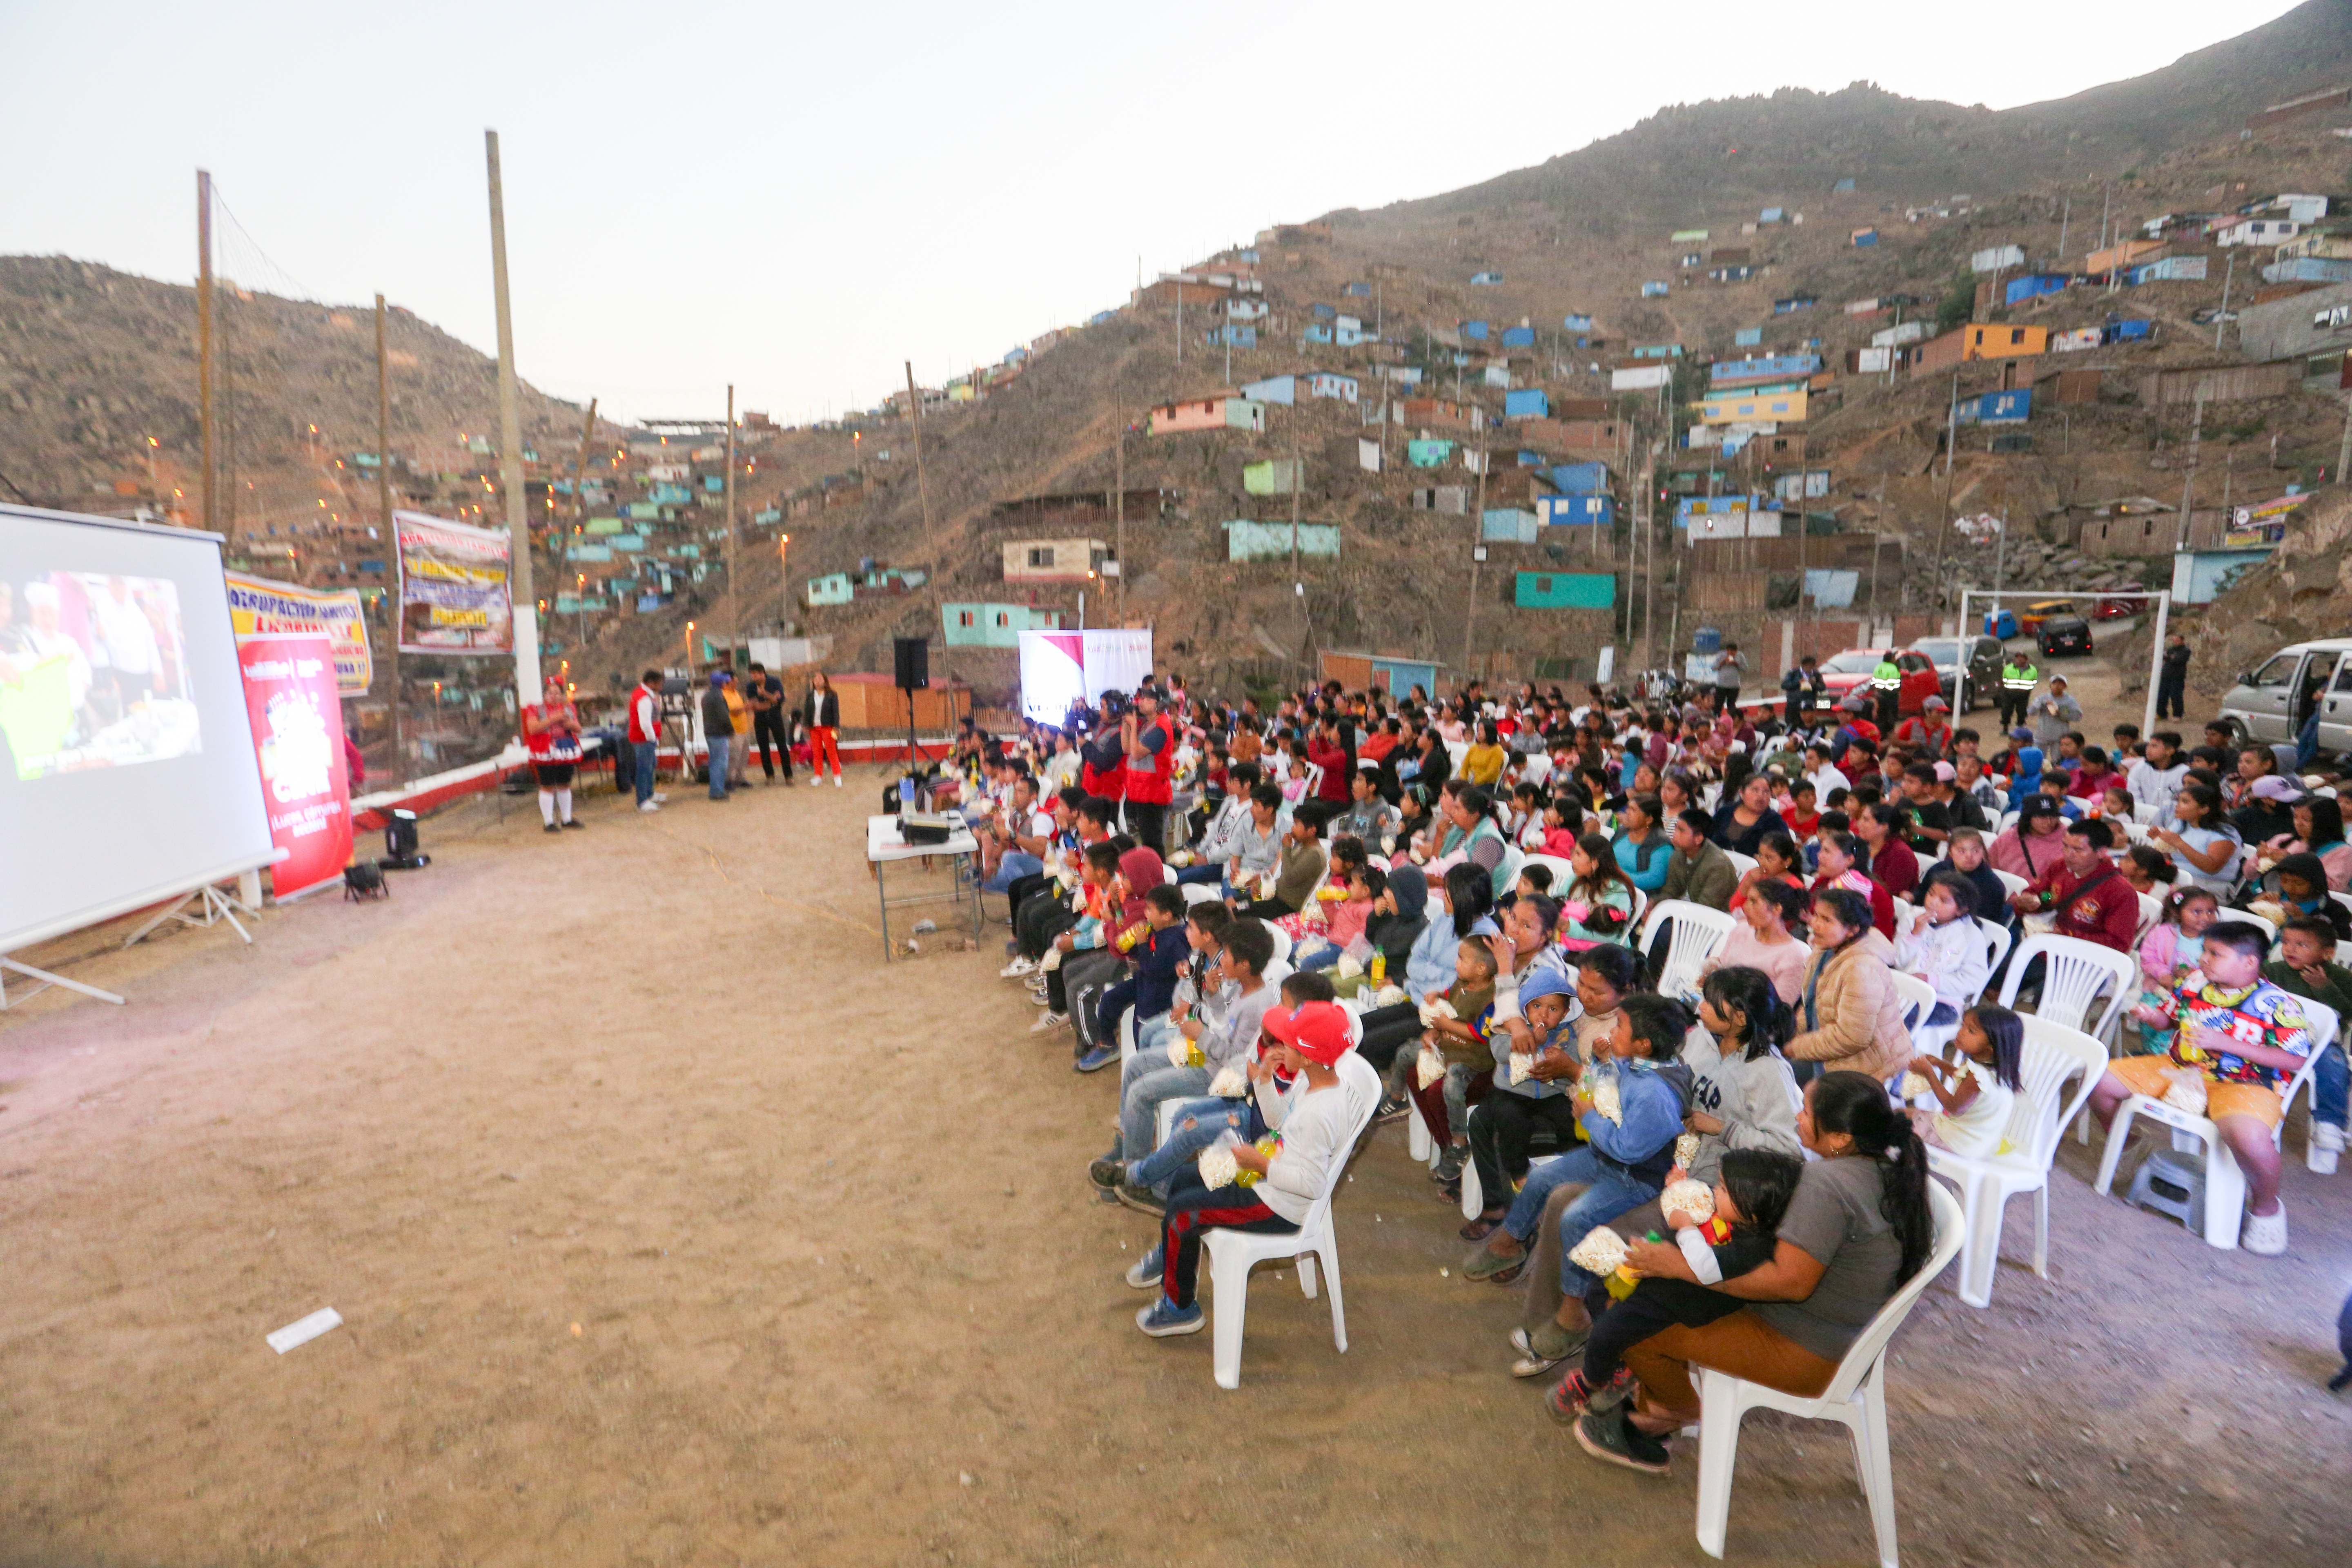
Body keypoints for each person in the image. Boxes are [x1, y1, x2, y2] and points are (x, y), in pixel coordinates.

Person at [1568, 1071, 1934, 1473]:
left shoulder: (1828, 1184)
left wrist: (1684, 1268)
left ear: (1841, 1138)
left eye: (1807, 1112)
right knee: (1659, 1292)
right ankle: (1657, 1402)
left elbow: (1790, 1283)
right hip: (1833, 1336)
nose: (1797, 1117)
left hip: (1806, 1350)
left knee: (1637, 1318)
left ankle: (1675, 1410)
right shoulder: (1878, 1169)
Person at [1127, 998, 1357, 1338]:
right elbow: (1280, 1121)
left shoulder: (1319, 1114)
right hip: (1267, 1177)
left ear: (1308, 1056)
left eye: (1288, 1043)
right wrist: (1264, 1081)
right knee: (1185, 1179)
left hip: (1277, 1205)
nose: (1280, 1045)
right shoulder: (1312, 1081)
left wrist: (1260, 1163)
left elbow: (1312, 1184)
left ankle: (1180, 1309)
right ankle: (1174, 1256)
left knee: (1183, 1215)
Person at [2095, 922, 2315, 1255]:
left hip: (2246, 1082)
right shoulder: (2195, 983)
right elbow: (2168, 1020)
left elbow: (2294, 1060)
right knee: (2098, 1080)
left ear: (2249, 963)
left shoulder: (2276, 1004)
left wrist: (2227, 1043)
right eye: (2205, 952)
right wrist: (2149, 1015)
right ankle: (2130, 1146)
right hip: (2182, 1069)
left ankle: (2267, 1208)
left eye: (2216, 954)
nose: (2205, 960)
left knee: (2250, 1139)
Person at [1548, 1146, 1806, 1420]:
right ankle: (1620, 1363)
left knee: (1609, 1330)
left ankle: (1592, 1380)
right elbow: (1702, 1202)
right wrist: (1681, 1188)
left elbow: (1705, 1268)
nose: (1716, 1192)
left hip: (1683, 1300)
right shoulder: (1736, 1213)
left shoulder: (1753, 1248)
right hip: (1669, 1279)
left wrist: (1685, 1225)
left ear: (1753, 1210)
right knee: (1599, 1290)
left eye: (1725, 1190)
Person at [1788, 886, 1912, 1080]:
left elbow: (1852, 1038)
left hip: (1864, 1066)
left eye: (1826, 920)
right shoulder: (1824, 951)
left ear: (1852, 930)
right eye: (1817, 916)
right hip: (1829, 1050)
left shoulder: (1862, 969)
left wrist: (1796, 1048)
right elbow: (1811, 1006)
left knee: (1779, 1079)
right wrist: (1790, 1036)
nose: (1815, 925)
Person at [2264, 917, 2352, 1173]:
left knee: (2335, 1064)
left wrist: (2323, 987)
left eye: (2302, 945)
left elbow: (2347, 1012)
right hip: (2277, 1038)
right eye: (2287, 942)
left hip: (2322, 1043)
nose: (2290, 949)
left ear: (2328, 953)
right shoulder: (2276, 970)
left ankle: (2329, 1123)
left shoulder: (2341, 977)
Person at [2011, 819, 2139, 952]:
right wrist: (2032, 902)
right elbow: (2046, 897)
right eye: (2065, 846)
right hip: (2046, 944)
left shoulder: (2121, 892)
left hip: (2082, 961)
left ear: (2101, 852)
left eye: (2078, 850)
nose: (2068, 855)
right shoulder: (2059, 866)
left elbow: (2119, 944)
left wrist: (2068, 937)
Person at [1895, 873, 1989, 1029]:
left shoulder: (1971, 935)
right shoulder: (1912, 917)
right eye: (1931, 894)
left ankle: (1899, 1053)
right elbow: (1898, 962)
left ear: (1961, 911)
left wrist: (1930, 980)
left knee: (1901, 1020)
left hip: (1943, 1002)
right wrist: (1915, 934)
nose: (1933, 902)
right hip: (1902, 991)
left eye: (1944, 901)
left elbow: (1973, 981)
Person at [2149, 782, 2243, 898]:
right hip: (2176, 879)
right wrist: (2160, 843)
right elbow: (2170, 857)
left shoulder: (2225, 833)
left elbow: (2212, 868)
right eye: (2178, 801)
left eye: (2185, 802)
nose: (2177, 806)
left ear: (2204, 809)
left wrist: (2180, 843)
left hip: (2209, 887)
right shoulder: (2181, 824)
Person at [521, 674, 586, 831]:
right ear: (545, 695)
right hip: (545, 751)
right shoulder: (536, 709)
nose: (555, 697)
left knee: (565, 784)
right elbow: (532, 729)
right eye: (551, 694)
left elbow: (579, 729)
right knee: (548, 785)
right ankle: (549, 822)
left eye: (557, 693)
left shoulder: (568, 709)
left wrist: (569, 724)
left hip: (565, 748)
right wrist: (552, 719)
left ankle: (567, 819)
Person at [1122, 687, 1176, 853]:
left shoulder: (1160, 727)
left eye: (1146, 699)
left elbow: (1137, 753)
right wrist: (1126, 724)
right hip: (1141, 790)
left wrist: (1133, 726)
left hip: (1152, 793)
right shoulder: (1148, 723)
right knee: (1147, 841)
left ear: (1158, 703)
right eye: (1141, 699)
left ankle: (1160, 876)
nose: (1141, 702)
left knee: (1153, 843)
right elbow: (1126, 749)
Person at [1659, 808, 1738, 911]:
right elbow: (1672, 890)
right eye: (1676, 828)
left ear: (1698, 838)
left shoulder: (1718, 866)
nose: (1675, 834)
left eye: (1681, 831)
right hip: (1688, 910)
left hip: (1715, 918)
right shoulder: (1679, 853)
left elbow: (1706, 908)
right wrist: (1655, 903)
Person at [1989, 794, 2068, 883]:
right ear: (2028, 818)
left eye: (2053, 817)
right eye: (2042, 817)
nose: (2049, 822)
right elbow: (1991, 869)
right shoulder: (2008, 838)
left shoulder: (2068, 838)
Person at [1711, 772, 1788, 858]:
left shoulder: (1775, 822)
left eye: (1766, 792)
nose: (1761, 796)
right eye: (1755, 790)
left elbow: (1784, 853)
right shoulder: (1725, 813)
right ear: (1742, 793)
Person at [626, 668, 667, 812]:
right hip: (643, 739)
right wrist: (652, 739)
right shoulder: (644, 698)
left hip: (644, 738)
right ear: (651, 683)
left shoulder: (643, 694)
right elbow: (645, 723)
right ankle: (642, 800)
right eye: (660, 683)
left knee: (650, 766)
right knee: (644, 769)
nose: (662, 686)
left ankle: (649, 793)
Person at [743, 662, 792, 784]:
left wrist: (765, 694)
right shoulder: (751, 687)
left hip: (776, 717)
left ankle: (789, 776)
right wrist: (771, 702)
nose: (753, 677)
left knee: (782, 746)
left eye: (755, 675)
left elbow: (780, 700)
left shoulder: (774, 682)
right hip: (760, 718)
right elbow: (754, 705)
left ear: (762, 673)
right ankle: (769, 775)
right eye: (752, 675)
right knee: (763, 747)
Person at [801, 671, 843, 787]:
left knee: (831, 751)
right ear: (813, 681)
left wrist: (836, 727)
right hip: (814, 728)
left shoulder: (832, 695)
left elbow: (836, 712)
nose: (818, 680)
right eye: (816, 678)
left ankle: (837, 776)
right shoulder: (810, 695)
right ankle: (818, 776)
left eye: (820, 678)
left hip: (828, 727)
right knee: (817, 752)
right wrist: (806, 725)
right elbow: (807, 711)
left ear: (825, 680)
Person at [698, 673, 735, 802]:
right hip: (719, 733)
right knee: (720, 763)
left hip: (710, 732)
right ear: (722, 684)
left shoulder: (707, 695)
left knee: (714, 762)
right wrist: (730, 730)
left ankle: (715, 789)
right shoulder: (718, 697)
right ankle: (718, 791)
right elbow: (724, 716)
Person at [2028, 675, 2082, 754]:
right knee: (2038, 760)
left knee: (2057, 762)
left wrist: (2060, 713)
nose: (2057, 686)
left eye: (2060, 684)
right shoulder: (2043, 698)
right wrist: (2042, 704)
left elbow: (2078, 716)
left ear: (2065, 687)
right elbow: (2030, 712)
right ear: (2050, 686)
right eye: (2054, 684)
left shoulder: (2070, 701)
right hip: (2042, 736)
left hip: (2060, 738)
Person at [1997, 648, 2039, 731]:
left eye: (2022, 658)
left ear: (2026, 659)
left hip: (2024, 694)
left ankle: (2020, 728)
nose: (2019, 660)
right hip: (2009, 694)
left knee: (2022, 712)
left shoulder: (2032, 670)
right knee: (2006, 711)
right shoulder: (2008, 668)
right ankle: (2005, 728)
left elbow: (2034, 680)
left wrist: (2028, 690)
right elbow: (2003, 679)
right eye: (2018, 658)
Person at [2156, 630, 2191, 721]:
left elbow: (2178, 660)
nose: (2175, 642)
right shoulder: (2171, 649)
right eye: (2174, 640)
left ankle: (2177, 715)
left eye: (2177, 640)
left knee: (2176, 696)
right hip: (2166, 676)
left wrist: (2170, 658)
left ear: (2182, 641)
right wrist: (2170, 658)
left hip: (2177, 677)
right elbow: (2164, 657)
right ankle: (2161, 714)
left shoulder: (2186, 651)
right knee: (2162, 695)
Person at [1781, 655, 1824, 724]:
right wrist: (1798, 683)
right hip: (1794, 705)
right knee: (1792, 724)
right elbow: (1784, 685)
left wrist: (1814, 685)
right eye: (1807, 666)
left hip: (1809, 705)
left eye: (1811, 667)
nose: (1809, 669)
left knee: (1806, 724)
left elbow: (1823, 687)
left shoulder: (1816, 675)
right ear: (1803, 666)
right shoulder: (1793, 673)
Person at [1869, 651, 1902, 732]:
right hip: (1891, 695)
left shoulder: (1879, 667)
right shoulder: (1893, 668)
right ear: (1891, 659)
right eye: (1894, 658)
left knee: (1880, 716)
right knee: (1891, 717)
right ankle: (1889, 733)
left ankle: (1879, 732)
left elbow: (1875, 680)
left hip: (1880, 694)